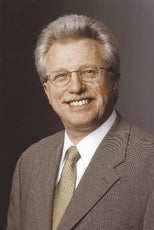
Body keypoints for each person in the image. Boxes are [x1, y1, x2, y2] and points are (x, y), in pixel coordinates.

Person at [7, 14, 154, 230]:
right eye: (61, 76)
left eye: (88, 72)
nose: (76, 87)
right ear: (47, 91)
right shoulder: (30, 163)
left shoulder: (148, 163)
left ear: (114, 81)